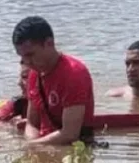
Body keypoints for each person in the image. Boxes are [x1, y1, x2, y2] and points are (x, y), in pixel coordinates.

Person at [13, 16, 95, 146]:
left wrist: (30, 146)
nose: (27, 62)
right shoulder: (34, 74)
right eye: (22, 56)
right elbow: (32, 123)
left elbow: (70, 134)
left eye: (30, 54)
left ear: (49, 43)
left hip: (74, 148)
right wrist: (31, 146)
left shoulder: (74, 74)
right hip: (44, 143)